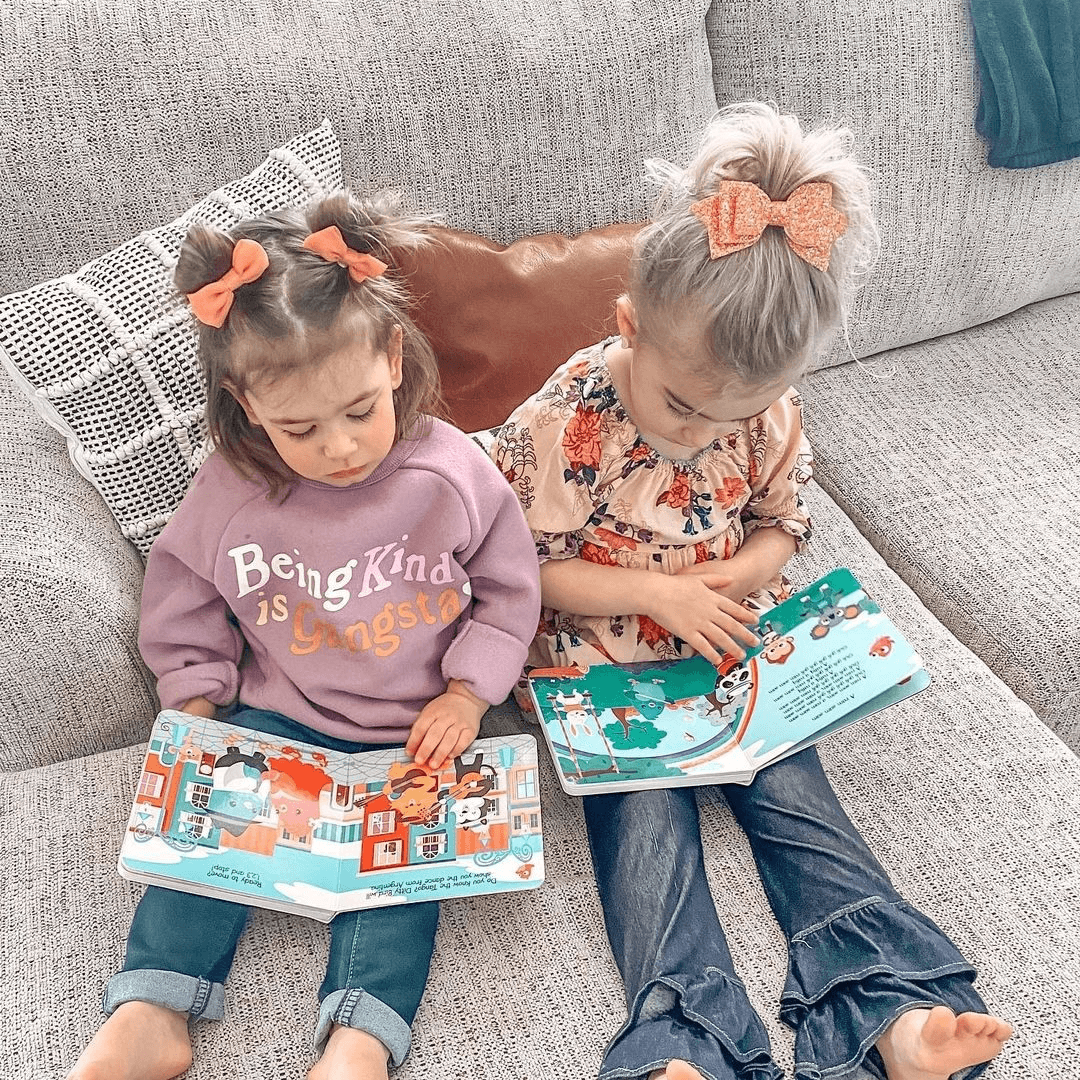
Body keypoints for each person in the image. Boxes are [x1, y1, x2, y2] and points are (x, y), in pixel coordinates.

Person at [489, 103, 1012, 1080]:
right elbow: (522, 563)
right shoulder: (570, 418)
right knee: (647, 832)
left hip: (731, 654)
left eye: (733, 412)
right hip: (604, 672)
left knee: (801, 806)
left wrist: (750, 570)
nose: (699, 433)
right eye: (682, 405)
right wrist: (659, 596)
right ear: (629, 329)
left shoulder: (761, 412)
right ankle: (683, 1035)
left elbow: (783, 519)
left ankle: (890, 1009)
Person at [69, 191, 541, 1080]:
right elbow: (182, 596)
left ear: (393, 359)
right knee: (199, 847)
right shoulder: (232, 494)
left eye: (360, 411)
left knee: (403, 887)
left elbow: (512, 591)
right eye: (301, 428)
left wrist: (467, 692)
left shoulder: (453, 472)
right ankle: (151, 1004)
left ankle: (360, 1037)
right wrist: (197, 702)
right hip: (278, 717)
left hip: (416, 734)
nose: (340, 448)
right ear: (247, 408)